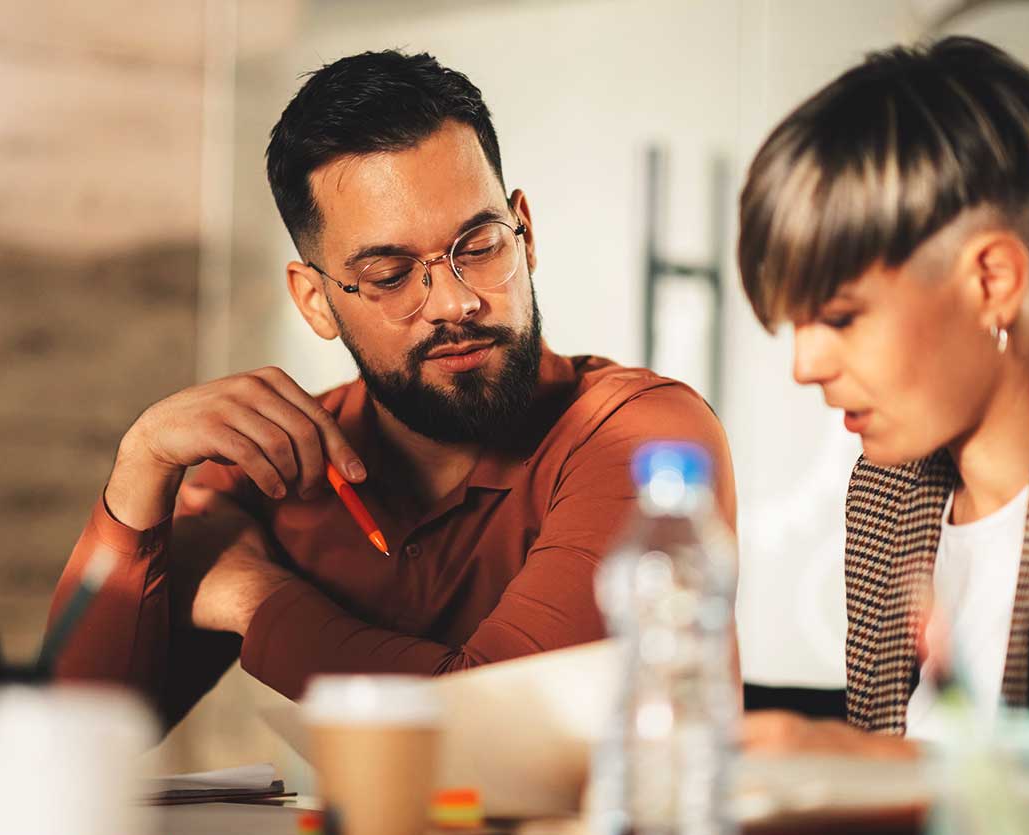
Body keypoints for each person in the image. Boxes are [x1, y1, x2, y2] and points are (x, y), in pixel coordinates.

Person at [46, 51, 735, 726]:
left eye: (479, 245)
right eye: (390, 274)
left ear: (525, 236)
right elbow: (68, 744)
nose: (454, 303)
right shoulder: (273, 467)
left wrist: (255, 598)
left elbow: (499, 732)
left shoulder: (643, 436)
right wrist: (142, 465)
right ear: (315, 300)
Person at [736, 37, 1029, 835]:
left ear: (991, 282)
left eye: (839, 317)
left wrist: (909, 775)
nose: (805, 364)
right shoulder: (885, 488)